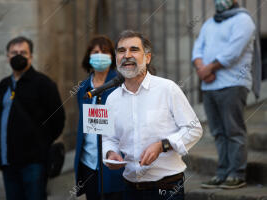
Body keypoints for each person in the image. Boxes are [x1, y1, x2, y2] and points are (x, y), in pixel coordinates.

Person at [102, 30, 203, 200]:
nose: (127, 55)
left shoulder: (167, 89)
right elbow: (108, 138)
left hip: (166, 188)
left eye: (134, 49)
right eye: (121, 51)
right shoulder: (111, 99)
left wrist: (163, 145)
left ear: (147, 58)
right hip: (129, 188)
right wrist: (110, 153)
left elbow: (194, 129)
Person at [192, 0, 261, 189]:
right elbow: (197, 49)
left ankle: (237, 173)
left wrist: (208, 68)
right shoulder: (209, 23)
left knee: (233, 131)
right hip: (209, 86)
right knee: (218, 132)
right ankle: (222, 172)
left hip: (233, 83)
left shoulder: (243, 20)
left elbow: (233, 52)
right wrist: (201, 68)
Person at [0, 36, 65, 200]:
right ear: (7, 57)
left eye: (23, 52)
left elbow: (58, 120)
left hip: (34, 163)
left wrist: (40, 144)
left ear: (31, 56)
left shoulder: (44, 84)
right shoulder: (3, 85)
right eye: (14, 52)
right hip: (8, 163)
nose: (18, 56)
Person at [74, 35, 126, 200]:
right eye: (95, 52)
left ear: (112, 56)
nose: (99, 55)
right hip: (88, 160)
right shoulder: (83, 87)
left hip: (114, 159)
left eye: (104, 51)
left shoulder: (120, 84)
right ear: (89, 57)